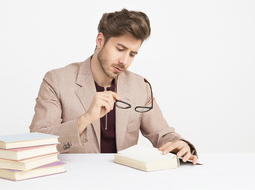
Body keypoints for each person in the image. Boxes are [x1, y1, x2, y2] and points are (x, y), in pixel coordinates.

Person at [30, 9, 198, 164]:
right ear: (100, 40)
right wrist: (85, 119)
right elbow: (37, 143)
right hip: (74, 180)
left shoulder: (140, 86)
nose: (124, 61)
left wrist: (180, 145)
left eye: (132, 54)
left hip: (124, 180)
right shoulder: (56, 81)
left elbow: (163, 134)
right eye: (120, 49)